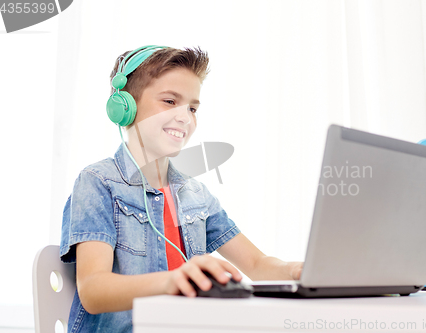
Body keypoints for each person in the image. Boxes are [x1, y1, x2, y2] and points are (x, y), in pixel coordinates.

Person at [60, 45, 303, 332]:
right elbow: (93, 290)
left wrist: (297, 271)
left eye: (192, 108)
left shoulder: (195, 194)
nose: (185, 117)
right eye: (169, 101)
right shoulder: (98, 182)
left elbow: (257, 263)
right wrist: (171, 280)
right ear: (125, 106)